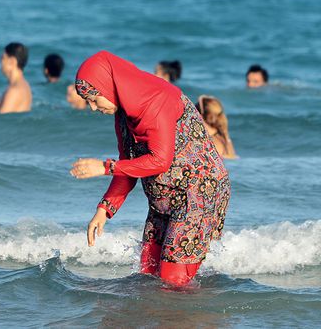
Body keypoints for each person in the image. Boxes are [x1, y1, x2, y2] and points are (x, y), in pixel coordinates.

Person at [69, 51, 230, 287]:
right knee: (148, 272)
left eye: (94, 98)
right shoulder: (124, 114)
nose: (93, 108)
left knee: (172, 281)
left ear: (109, 86)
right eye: (88, 101)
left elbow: (160, 160)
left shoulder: (156, 98)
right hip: (163, 201)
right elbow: (128, 165)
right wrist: (104, 210)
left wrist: (103, 167)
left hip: (196, 195)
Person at [0, 42, 32, 114]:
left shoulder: (14, 90)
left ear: (12, 61)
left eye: (2, 58)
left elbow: (0, 122)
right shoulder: (25, 85)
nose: (0, 61)